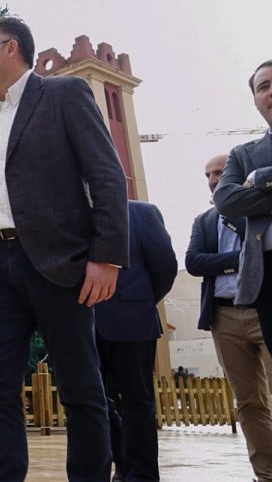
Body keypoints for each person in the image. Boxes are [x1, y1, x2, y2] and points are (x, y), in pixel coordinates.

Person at [0, 16, 128, 482]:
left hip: (62, 265)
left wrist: (107, 256)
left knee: (80, 387)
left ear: (10, 48)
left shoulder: (63, 95)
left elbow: (107, 175)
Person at [187, 153, 272, 480]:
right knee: (249, 403)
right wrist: (246, 258)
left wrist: (224, 260)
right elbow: (194, 262)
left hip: (263, 311)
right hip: (224, 317)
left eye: (220, 172)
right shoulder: (204, 221)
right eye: (208, 174)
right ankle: (265, 474)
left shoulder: (261, 213)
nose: (212, 179)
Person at [94, 200, 177, 482]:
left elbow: (164, 267)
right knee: (91, 400)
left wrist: (140, 303)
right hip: (82, 325)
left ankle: (141, 474)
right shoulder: (69, 214)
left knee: (137, 401)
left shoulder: (142, 213)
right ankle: (120, 463)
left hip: (133, 321)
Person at [214, 60, 272, 352]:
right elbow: (226, 200)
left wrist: (262, 178)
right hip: (267, 273)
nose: (271, 91)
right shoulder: (243, 154)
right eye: (263, 87)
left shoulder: (255, 167)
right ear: (256, 101)